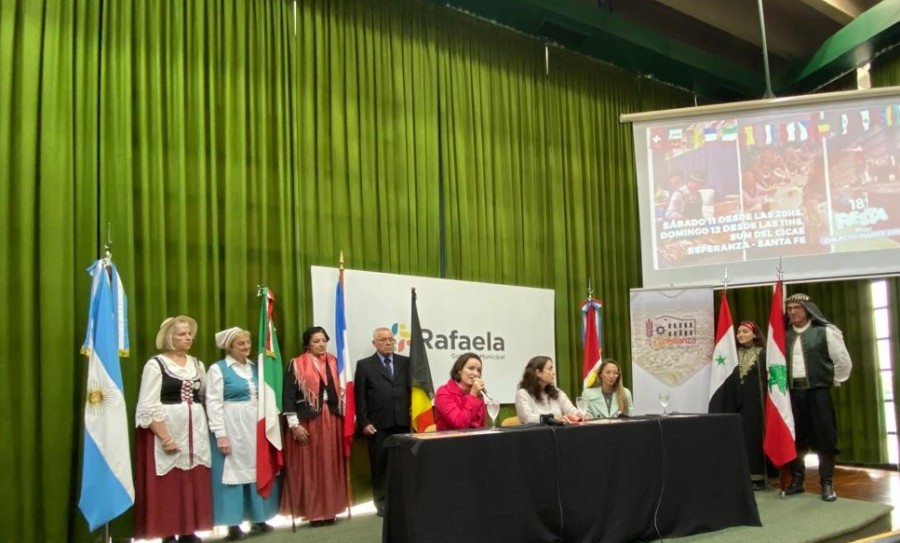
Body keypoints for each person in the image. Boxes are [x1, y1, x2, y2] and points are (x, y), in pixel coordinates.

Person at [134, 316, 212, 543]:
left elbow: (205, 396)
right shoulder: (156, 364)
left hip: (194, 428)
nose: (188, 338)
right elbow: (147, 404)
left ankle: (189, 529)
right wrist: (165, 436)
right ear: (170, 338)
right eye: (182, 334)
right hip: (168, 426)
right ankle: (169, 531)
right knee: (169, 481)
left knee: (192, 478)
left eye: (189, 334)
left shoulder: (197, 364)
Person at [205, 327, 279, 541]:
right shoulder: (218, 370)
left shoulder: (255, 368)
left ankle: (259, 516)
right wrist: (220, 434)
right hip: (232, 425)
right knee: (233, 475)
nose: (246, 347)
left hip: (253, 426)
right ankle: (233, 523)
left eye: (247, 342)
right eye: (241, 344)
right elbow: (213, 402)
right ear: (229, 347)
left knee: (256, 469)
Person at [783, 293, 852, 502]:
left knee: (825, 437)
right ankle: (797, 481)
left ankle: (827, 483)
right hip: (792, 394)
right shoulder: (783, 335)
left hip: (818, 392)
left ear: (808, 309)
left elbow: (842, 360)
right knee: (796, 438)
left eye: (797, 307)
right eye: (790, 308)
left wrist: (832, 380)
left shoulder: (825, 332)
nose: (793, 311)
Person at [280, 326, 347, 525]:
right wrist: (294, 425)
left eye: (323, 340)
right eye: (316, 341)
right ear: (307, 344)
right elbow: (288, 397)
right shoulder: (297, 364)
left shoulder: (335, 363)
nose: (321, 344)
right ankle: (313, 512)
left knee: (329, 465)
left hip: (331, 419)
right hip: (308, 420)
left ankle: (330, 510)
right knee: (310, 467)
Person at [354, 327, 410, 517]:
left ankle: (403, 500)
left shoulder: (406, 362)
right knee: (380, 467)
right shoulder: (364, 365)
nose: (388, 343)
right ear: (374, 343)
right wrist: (364, 422)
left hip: (403, 423)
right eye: (383, 339)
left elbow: (412, 390)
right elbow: (359, 398)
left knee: (404, 466)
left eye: (391, 339)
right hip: (378, 425)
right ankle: (382, 503)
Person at [709, 321, 768, 491]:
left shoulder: (763, 354)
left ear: (755, 334)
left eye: (745, 332)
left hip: (755, 402)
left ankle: (757, 476)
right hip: (736, 401)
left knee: (753, 437)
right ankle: (740, 475)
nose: (740, 335)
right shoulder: (732, 355)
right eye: (738, 332)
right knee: (739, 437)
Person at [515, 356, 584, 424]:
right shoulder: (522, 394)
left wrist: (578, 415)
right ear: (538, 373)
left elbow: (571, 410)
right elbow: (527, 418)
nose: (554, 373)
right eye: (550, 369)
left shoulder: (557, 392)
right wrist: (552, 418)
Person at [434, 352, 486, 430]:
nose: (476, 373)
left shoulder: (478, 394)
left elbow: (482, 426)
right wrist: (473, 395)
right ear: (459, 370)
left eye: (478, 370)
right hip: (450, 440)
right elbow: (460, 425)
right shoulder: (443, 392)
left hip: (475, 440)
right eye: (471, 368)